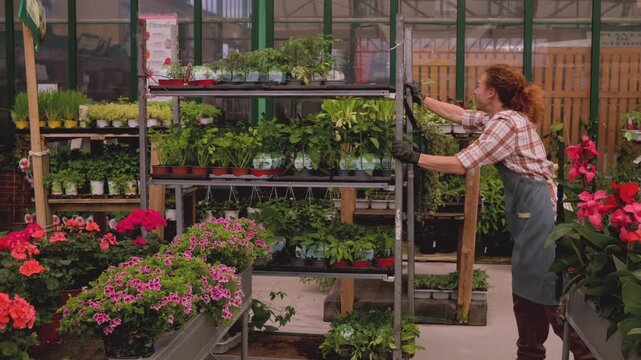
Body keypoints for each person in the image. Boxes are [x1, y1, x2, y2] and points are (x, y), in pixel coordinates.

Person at [393, 64, 594, 360]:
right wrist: (423, 99)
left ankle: (584, 352)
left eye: (478, 85)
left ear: (492, 92)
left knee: (546, 291)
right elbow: (460, 116)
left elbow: (463, 163)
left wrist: (415, 157)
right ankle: (530, 352)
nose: (474, 90)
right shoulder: (499, 117)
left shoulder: (506, 124)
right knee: (528, 290)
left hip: (539, 217)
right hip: (530, 214)